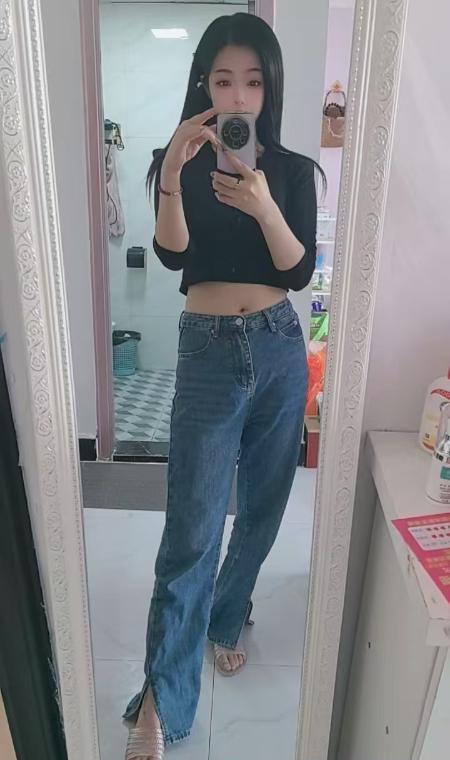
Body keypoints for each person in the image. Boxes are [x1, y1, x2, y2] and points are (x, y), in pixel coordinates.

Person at [123, 12, 325, 760]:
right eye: (223, 79)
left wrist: (264, 201)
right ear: (203, 84)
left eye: (253, 81)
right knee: (192, 527)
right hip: (207, 348)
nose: (238, 96)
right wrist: (173, 180)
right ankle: (162, 700)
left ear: (270, 88)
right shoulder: (174, 159)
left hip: (277, 347)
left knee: (265, 506)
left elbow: (297, 271)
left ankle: (227, 612)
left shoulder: (294, 171)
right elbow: (174, 257)